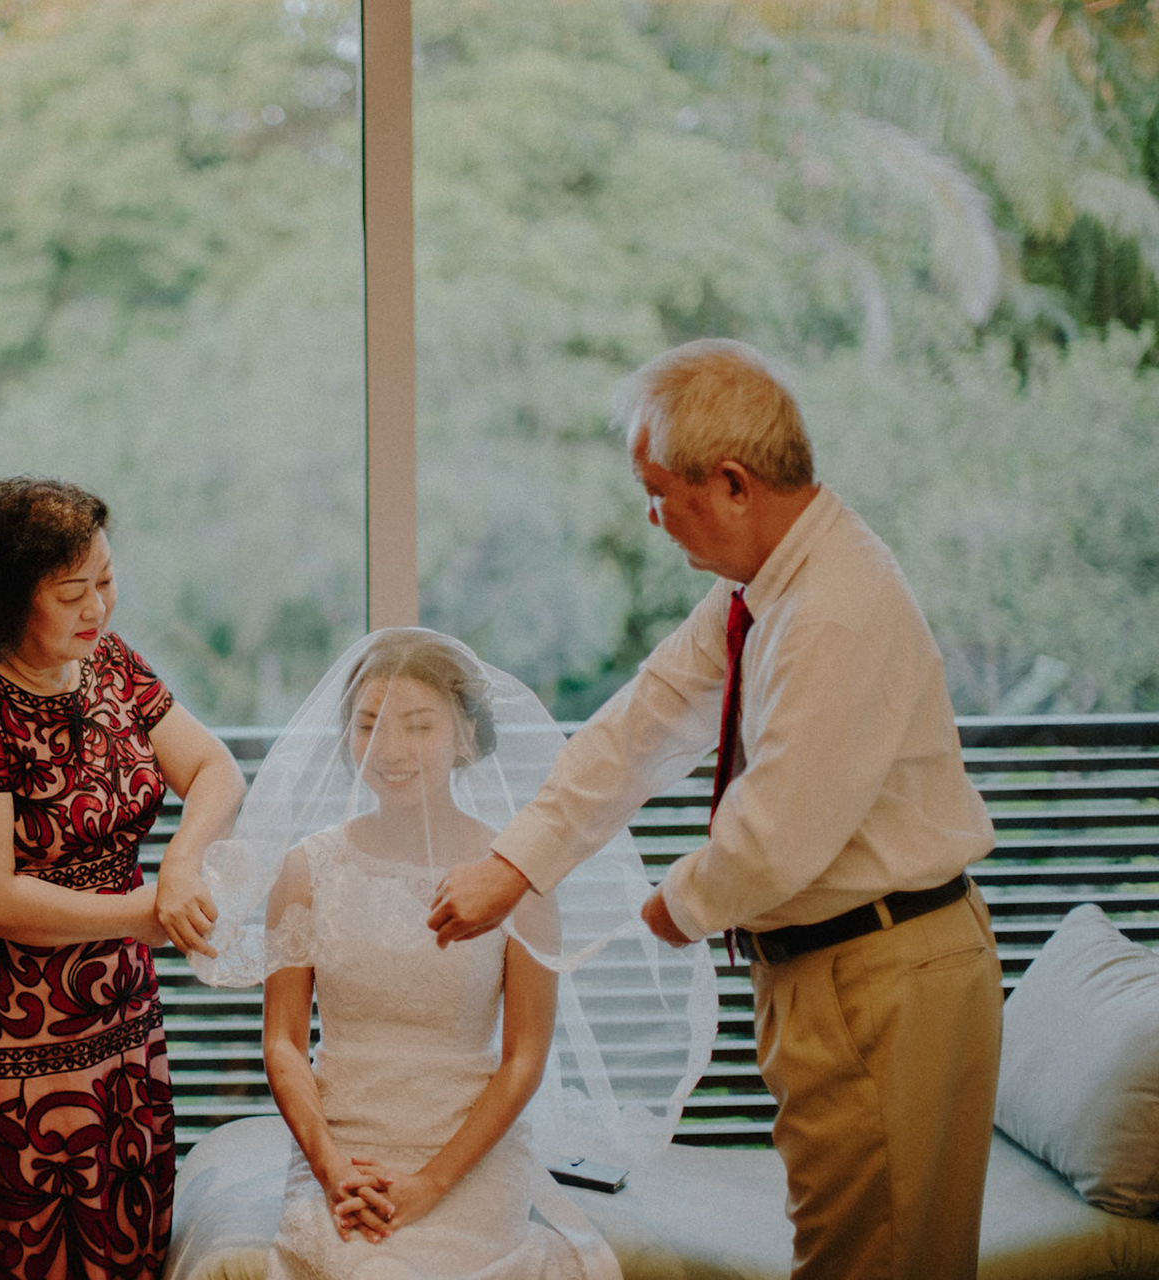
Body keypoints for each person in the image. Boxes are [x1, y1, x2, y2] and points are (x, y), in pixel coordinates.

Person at [427, 339, 1003, 1280]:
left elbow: (775, 836)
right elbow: (642, 723)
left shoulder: (832, 608)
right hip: (841, 968)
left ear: (733, 484)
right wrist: (513, 861)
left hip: (881, 973)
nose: (651, 517)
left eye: (658, 491)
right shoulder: (765, 587)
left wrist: (673, 906)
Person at [194, 628, 715, 1280]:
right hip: (341, 1142)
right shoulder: (305, 871)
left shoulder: (514, 878)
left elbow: (524, 1057)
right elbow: (283, 1043)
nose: (390, 749)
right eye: (369, 725)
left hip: (470, 1150)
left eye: (418, 726)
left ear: (465, 735)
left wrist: (433, 1183)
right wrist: (330, 1167)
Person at [0, 476, 246, 1279]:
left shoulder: (107, 662)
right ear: (13, 597)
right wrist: (140, 913)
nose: (99, 607)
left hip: (124, 1038)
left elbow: (215, 769)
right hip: (10, 1063)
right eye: (72, 591)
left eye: (107, 580)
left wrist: (180, 864)